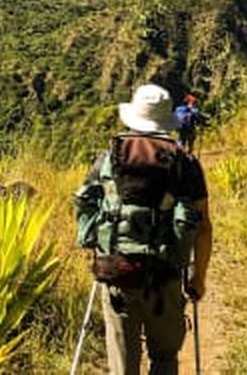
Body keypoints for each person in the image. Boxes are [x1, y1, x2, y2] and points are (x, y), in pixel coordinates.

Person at [74, 84, 212, 375]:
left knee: (123, 364)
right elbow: (203, 227)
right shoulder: (186, 163)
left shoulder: (110, 157)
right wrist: (198, 278)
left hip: (117, 271)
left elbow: (87, 202)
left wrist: (96, 246)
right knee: (164, 357)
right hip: (166, 276)